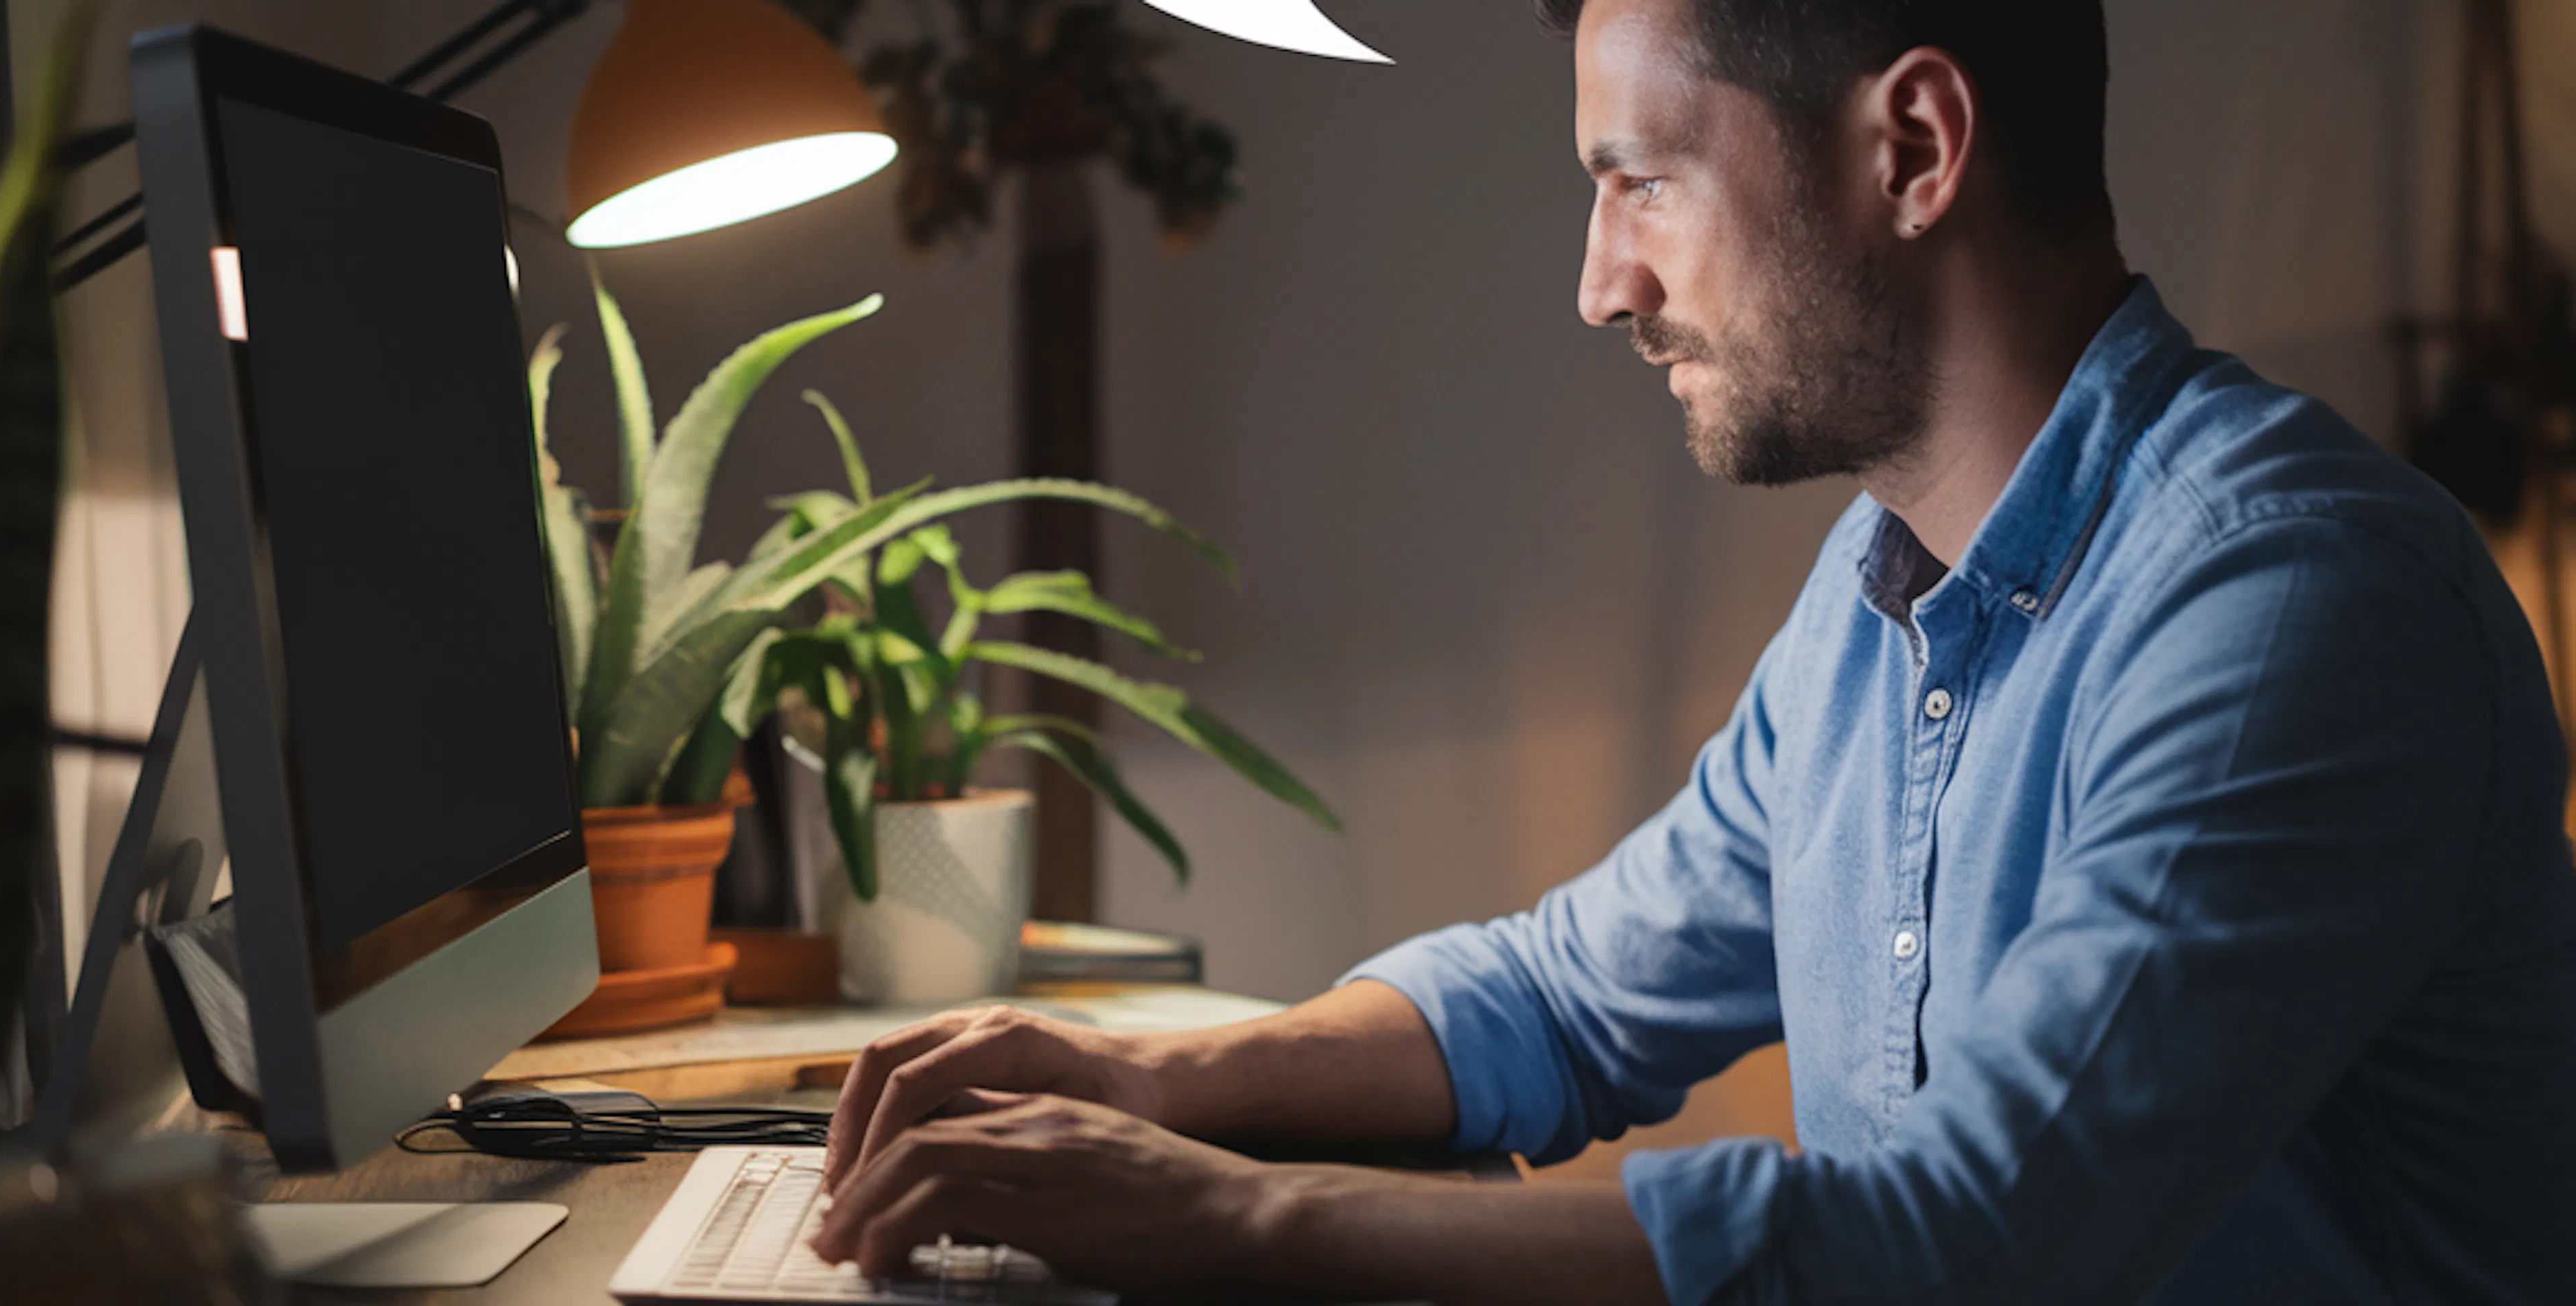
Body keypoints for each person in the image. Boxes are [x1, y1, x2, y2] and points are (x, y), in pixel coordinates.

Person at [810, 1, 2576, 1301]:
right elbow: (1570, 994)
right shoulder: (1871, 600)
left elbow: (1971, 1241)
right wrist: (1139, 1080)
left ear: (1913, 151)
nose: (1601, 285)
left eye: (1640, 181)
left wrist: (1221, 1217)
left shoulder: (2290, 603)